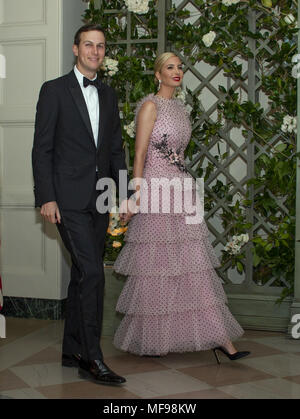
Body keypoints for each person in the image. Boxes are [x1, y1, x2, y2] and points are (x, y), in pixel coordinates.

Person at [113, 52, 250, 364]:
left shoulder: (179, 108)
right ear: (158, 75)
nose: (177, 72)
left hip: (180, 191)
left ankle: (221, 339)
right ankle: (154, 338)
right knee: (156, 268)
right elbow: (140, 153)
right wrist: (136, 195)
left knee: (194, 267)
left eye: (180, 67)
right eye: (169, 67)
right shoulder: (151, 106)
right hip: (156, 192)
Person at [32, 24, 133, 385]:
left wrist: (126, 196)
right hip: (66, 200)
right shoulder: (54, 91)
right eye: (88, 45)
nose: (95, 51)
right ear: (76, 49)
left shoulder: (108, 94)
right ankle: (92, 359)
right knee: (92, 272)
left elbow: (115, 150)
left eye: (101, 46)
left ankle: (71, 349)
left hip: (100, 198)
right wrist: (46, 196)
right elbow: (41, 148)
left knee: (81, 274)